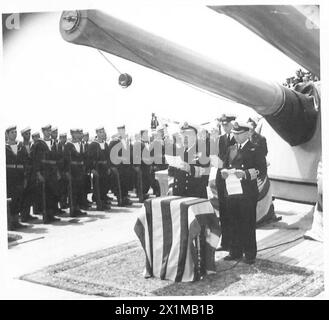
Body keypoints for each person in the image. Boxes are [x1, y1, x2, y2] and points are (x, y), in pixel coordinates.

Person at [221, 119, 267, 264]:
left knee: (247, 222)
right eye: (234, 133)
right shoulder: (231, 148)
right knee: (233, 221)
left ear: (247, 133)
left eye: (239, 134)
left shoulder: (255, 148)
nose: (236, 136)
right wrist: (224, 172)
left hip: (247, 192)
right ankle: (235, 251)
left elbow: (262, 170)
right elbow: (225, 165)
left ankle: (249, 253)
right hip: (232, 191)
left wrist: (246, 174)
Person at [167, 122, 210, 198]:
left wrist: (191, 169)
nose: (185, 138)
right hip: (178, 194)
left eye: (188, 135)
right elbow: (171, 173)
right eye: (183, 135)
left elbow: (206, 173)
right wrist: (171, 187)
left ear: (195, 136)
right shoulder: (177, 151)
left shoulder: (202, 151)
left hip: (195, 195)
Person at [31, 124, 61, 223]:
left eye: (50, 131)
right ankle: (46, 217)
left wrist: (57, 172)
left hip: (52, 172)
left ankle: (51, 214)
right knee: (44, 195)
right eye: (47, 131)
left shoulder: (54, 143)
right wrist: (38, 173)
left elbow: (56, 159)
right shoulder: (38, 144)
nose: (49, 133)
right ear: (43, 132)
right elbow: (35, 160)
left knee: (54, 194)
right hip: (44, 172)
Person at [215, 114, 236, 252]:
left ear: (232, 124)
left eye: (227, 125)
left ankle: (235, 243)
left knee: (233, 212)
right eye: (223, 125)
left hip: (233, 179)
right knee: (223, 212)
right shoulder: (221, 139)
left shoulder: (238, 138)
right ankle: (225, 242)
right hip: (221, 179)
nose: (225, 128)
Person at [5, 125, 28, 230]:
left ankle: (16, 221)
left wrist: (25, 176)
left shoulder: (21, 146)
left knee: (19, 198)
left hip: (19, 175)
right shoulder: (4, 147)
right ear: (7, 134)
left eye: (15, 132)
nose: (14, 134)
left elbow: (25, 161)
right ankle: (10, 223)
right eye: (12, 132)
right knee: (10, 199)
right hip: (9, 177)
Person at [64, 129, 87, 217]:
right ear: (72, 134)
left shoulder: (81, 144)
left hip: (80, 170)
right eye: (77, 133)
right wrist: (66, 171)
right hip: (72, 170)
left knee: (79, 190)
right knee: (72, 191)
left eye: (79, 133)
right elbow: (65, 160)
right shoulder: (68, 145)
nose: (79, 135)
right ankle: (73, 210)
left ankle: (77, 208)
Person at [108, 125, 133, 206]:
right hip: (118, 166)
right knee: (119, 184)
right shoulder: (114, 141)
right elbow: (110, 155)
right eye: (120, 130)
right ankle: (120, 200)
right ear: (118, 131)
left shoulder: (125, 141)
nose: (122, 132)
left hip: (125, 167)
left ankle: (125, 198)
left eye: (123, 130)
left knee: (125, 183)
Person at [88, 126, 111, 210]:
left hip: (104, 168)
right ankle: (99, 203)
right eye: (100, 132)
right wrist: (92, 169)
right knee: (97, 186)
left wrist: (108, 167)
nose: (102, 134)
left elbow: (108, 157)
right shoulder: (93, 145)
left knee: (104, 186)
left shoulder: (105, 144)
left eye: (103, 132)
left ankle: (103, 200)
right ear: (97, 133)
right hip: (97, 168)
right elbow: (89, 158)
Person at [18, 127, 38, 222]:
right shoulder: (20, 145)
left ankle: (27, 214)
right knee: (23, 195)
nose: (28, 135)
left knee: (31, 194)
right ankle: (23, 215)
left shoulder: (33, 145)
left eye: (29, 134)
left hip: (32, 173)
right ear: (22, 135)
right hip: (23, 173)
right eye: (26, 134)